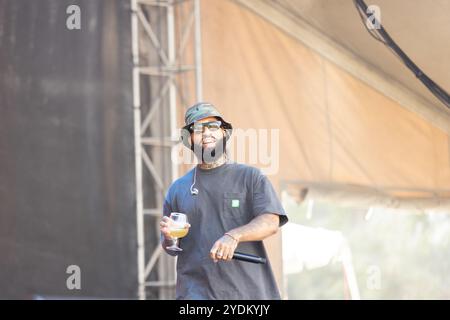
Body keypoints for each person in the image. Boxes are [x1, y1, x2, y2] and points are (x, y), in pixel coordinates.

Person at [159, 102, 288, 300]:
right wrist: (169, 237)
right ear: (189, 139)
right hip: (195, 296)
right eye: (199, 129)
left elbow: (271, 223)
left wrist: (234, 236)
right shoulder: (178, 189)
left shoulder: (250, 177)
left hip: (248, 296)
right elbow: (171, 248)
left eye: (213, 127)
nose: (207, 133)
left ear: (224, 134)